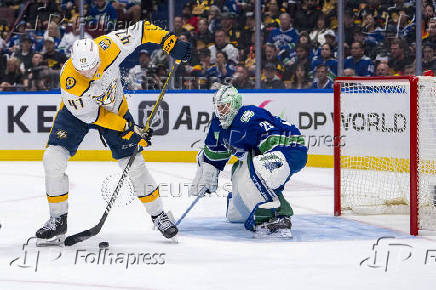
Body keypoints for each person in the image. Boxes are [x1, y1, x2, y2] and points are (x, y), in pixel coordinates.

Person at [35, 20, 191, 246]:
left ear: (98, 54)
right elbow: (95, 116)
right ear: (75, 65)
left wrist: (169, 41)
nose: (91, 72)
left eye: (94, 66)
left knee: (135, 164)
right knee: (52, 158)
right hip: (77, 114)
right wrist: (128, 128)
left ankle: (159, 215)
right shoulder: (70, 81)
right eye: (84, 70)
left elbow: (142, 29)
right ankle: (58, 219)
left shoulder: (109, 45)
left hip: (115, 107)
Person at [189, 85, 307, 237]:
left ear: (235, 104)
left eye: (225, 106)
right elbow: (213, 155)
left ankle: (278, 216)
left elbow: (273, 141)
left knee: (262, 168)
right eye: (219, 107)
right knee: (237, 198)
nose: (221, 111)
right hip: (262, 154)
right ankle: (251, 209)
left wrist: (269, 171)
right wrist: (207, 175)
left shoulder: (249, 116)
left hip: (290, 148)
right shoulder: (218, 125)